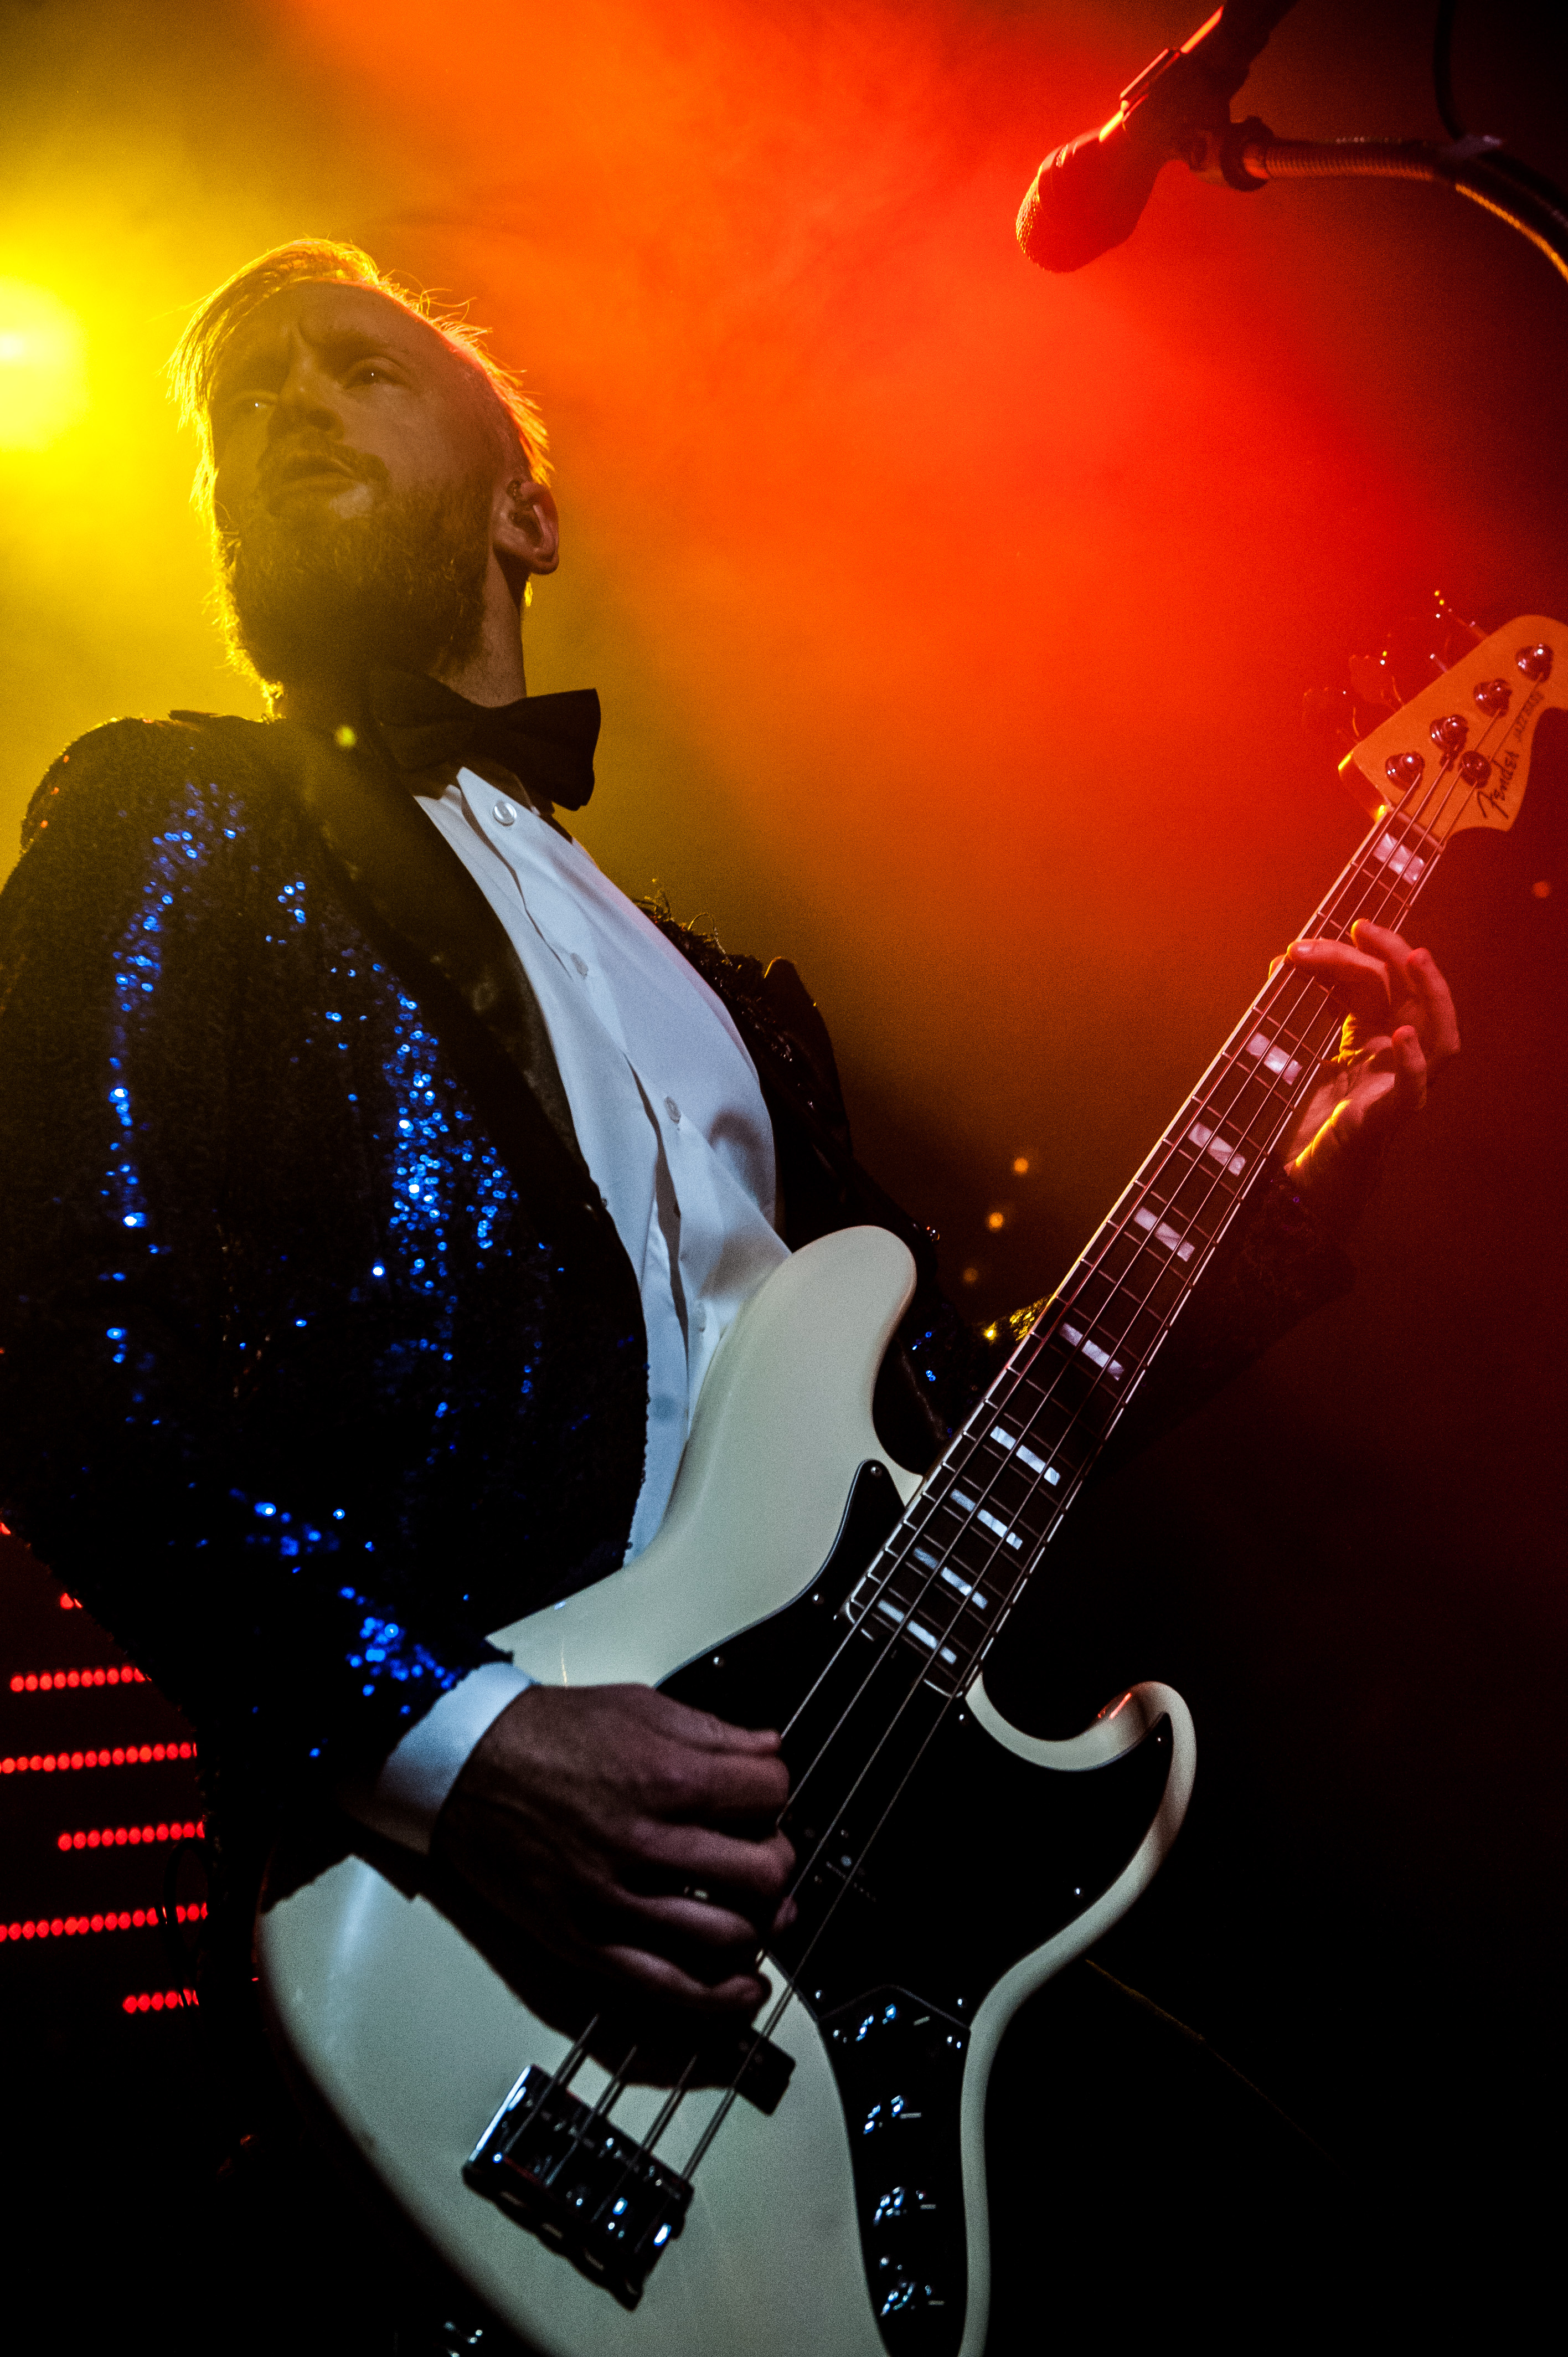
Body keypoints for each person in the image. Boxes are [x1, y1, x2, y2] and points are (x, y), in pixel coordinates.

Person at [0, 240, 1458, 2345]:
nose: (284, 403)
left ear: (529, 510)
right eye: (242, 404)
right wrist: (460, 1744)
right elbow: (59, 1350)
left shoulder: (744, 1006)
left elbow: (952, 1451)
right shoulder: (175, 818)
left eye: (356, 367)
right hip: (458, 1940)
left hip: (844, 1907)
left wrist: (1281, 1223)